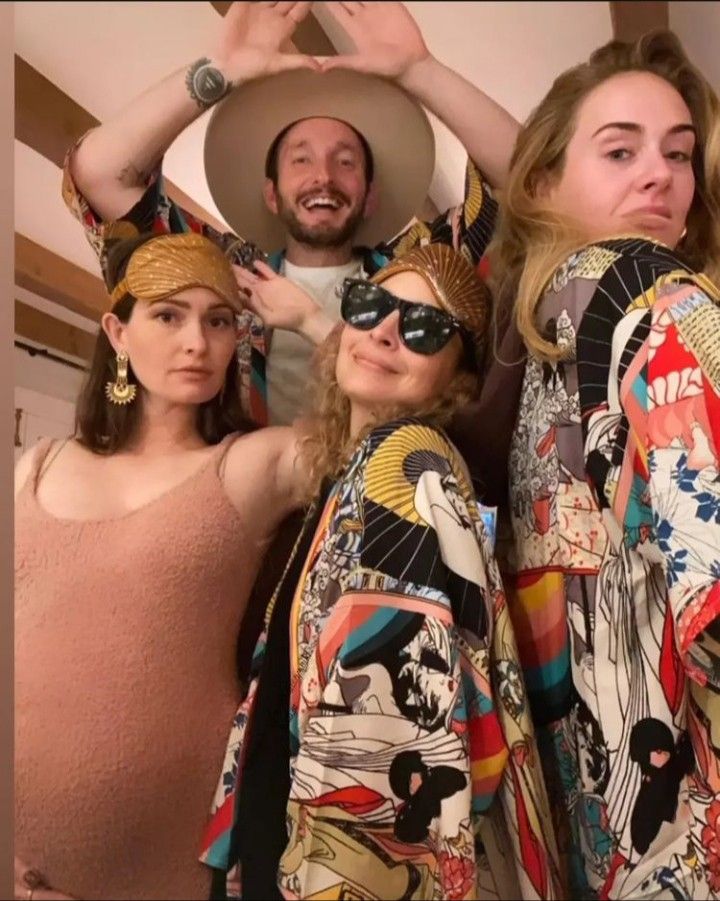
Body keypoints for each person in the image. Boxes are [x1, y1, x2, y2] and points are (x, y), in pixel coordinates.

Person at [200, 244, 561, 900]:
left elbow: (388, 735)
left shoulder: (403, 466)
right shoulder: (362, 467)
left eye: (423, 328)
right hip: (291, 835)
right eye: (370, 305)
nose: (385, 330)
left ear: (458, 374)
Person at [488, 29, 720, 899]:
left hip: (596, 813)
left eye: (679, 153)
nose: (659, 174)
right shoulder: (648, 292)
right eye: (619, 149)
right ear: (543, 182)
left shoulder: (554, 330)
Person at [14, 232, 310, 901]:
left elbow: (395, 425)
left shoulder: (251, 464)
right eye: (168, 315)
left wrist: (311, 318)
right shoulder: (36, 466)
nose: (196, 343)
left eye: (219, 319)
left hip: (162, 856)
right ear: (117, 331)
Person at [62, 0, 519, 429]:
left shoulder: (418, 269)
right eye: (300, 160)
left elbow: (525, 179)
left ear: (371, 195)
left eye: (346, 162)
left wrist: (422, 72)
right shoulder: (220, 271)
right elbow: (101, 177)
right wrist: (217, 70)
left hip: (388, 503)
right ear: (272, 194)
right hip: (244, 505)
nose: (323, 176)